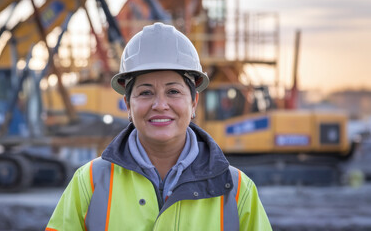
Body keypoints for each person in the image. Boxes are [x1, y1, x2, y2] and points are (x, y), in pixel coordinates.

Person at [46, 22, 272, 231]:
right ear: (128, 105)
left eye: (173, 91)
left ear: (193, 102)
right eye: (145, 93)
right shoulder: (90, 182)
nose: (160, 105)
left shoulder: (237, 190)